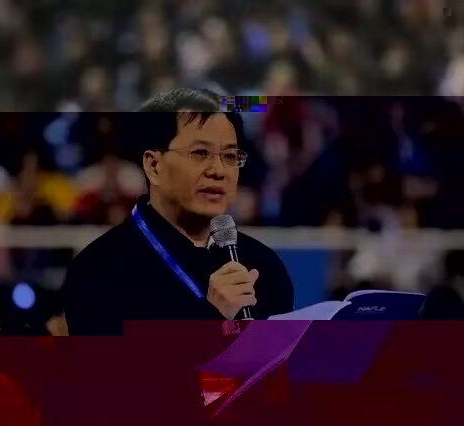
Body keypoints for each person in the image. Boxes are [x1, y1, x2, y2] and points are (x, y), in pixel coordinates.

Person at [63, 88, 295, 335]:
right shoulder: (98, 269)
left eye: (229, 156)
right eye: (200, 153)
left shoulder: (263, 266)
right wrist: (212, 316)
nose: (218, 171)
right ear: (154, 165)